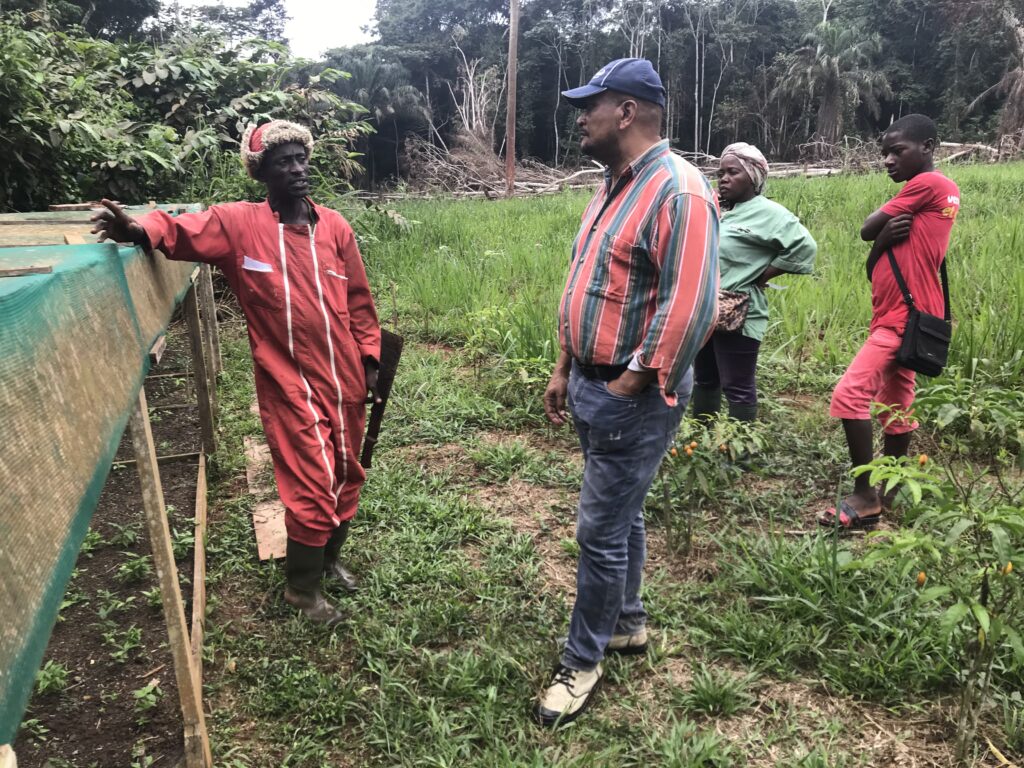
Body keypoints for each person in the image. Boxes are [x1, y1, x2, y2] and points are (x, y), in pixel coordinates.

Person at [91, 120, 382, 624]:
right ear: (261, 172)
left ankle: (328, 560)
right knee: (312, 480)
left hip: (346, 380)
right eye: (283, 162)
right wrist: (139, 229)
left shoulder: (334, 227)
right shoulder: (239, 224)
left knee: (346, 472)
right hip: (288, 381)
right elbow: (181, 229)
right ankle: (302, 591)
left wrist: (371, 359)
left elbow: (359, 300)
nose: (297, 169)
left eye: (300, 158)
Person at [536, 58, 719, 727]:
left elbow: (691, 303)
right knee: (623, 514)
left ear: (628, 111)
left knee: (599, 532)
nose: (580, 116)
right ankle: (627, 622)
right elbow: (585, 280)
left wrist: (630, 380)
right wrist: (563, 366)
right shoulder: (611, 186)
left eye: (592, 104)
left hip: (630, 395)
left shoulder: (680, 190)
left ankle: (582, 660)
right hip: (589, 380)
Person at [822, 113, 959, 529]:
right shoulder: (933, 193)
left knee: (850, 396)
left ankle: (865, 496)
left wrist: (877, 238)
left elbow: (867, 229)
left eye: (897, 151)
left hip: (900, 317)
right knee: (896, 406)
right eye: (884, 153)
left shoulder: (930, 184)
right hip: (902, 314)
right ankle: (893, 490)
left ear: (929, 147)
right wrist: (881, 242)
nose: (887, 160)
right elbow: (875, 257)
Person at [691, 143, 817, 423]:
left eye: (732, 172)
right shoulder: (717, 209)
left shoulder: (770, 213)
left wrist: (764, 275)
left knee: (737, 386)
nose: (723, 178)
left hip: (742, 312)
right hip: (706, 309)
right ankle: (700, 441)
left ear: (753, 176)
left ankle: (739, 454)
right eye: (721, 172)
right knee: (704, 379)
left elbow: (805, 247)